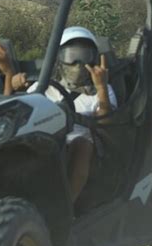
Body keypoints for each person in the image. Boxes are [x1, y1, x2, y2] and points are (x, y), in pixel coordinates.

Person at [8, 27, 117, 203]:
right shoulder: (44, 86)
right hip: (47, 140)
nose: (78, 64)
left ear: (94, 58)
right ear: (59, 59)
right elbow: (23, 110)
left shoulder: (101, 89)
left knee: (82, 144)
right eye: (71, 56)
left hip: (84, 143)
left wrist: (102, 87)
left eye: (84, 56)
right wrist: (14, 86)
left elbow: (106, 120)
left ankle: (66, 207)